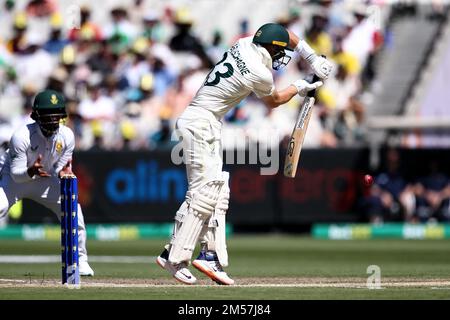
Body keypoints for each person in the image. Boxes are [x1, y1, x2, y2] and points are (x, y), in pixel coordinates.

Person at [156, 23, 333, 285]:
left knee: (217, 190)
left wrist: (312, 58)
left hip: (206, 121)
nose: (280, 56)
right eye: (278, 51)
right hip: (200, 123)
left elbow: (285, 35)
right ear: (271, 47)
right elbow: (274, 101)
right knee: (204, 192)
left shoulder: (244, 43)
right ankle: (175, 257)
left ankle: (207, 255)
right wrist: (301, 85)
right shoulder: (258, 72)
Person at [0, 89, 94, 276]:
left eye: (56, 116)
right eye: (48, 116)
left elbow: (61, 167)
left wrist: (63, 173)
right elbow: (17, 174)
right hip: (14, 179)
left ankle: (80, 260)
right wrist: (31, 170)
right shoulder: (22, 136)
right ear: (36, 116)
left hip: (45, 179)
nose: (53, 121)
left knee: (73, 210)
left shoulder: (67, 136)